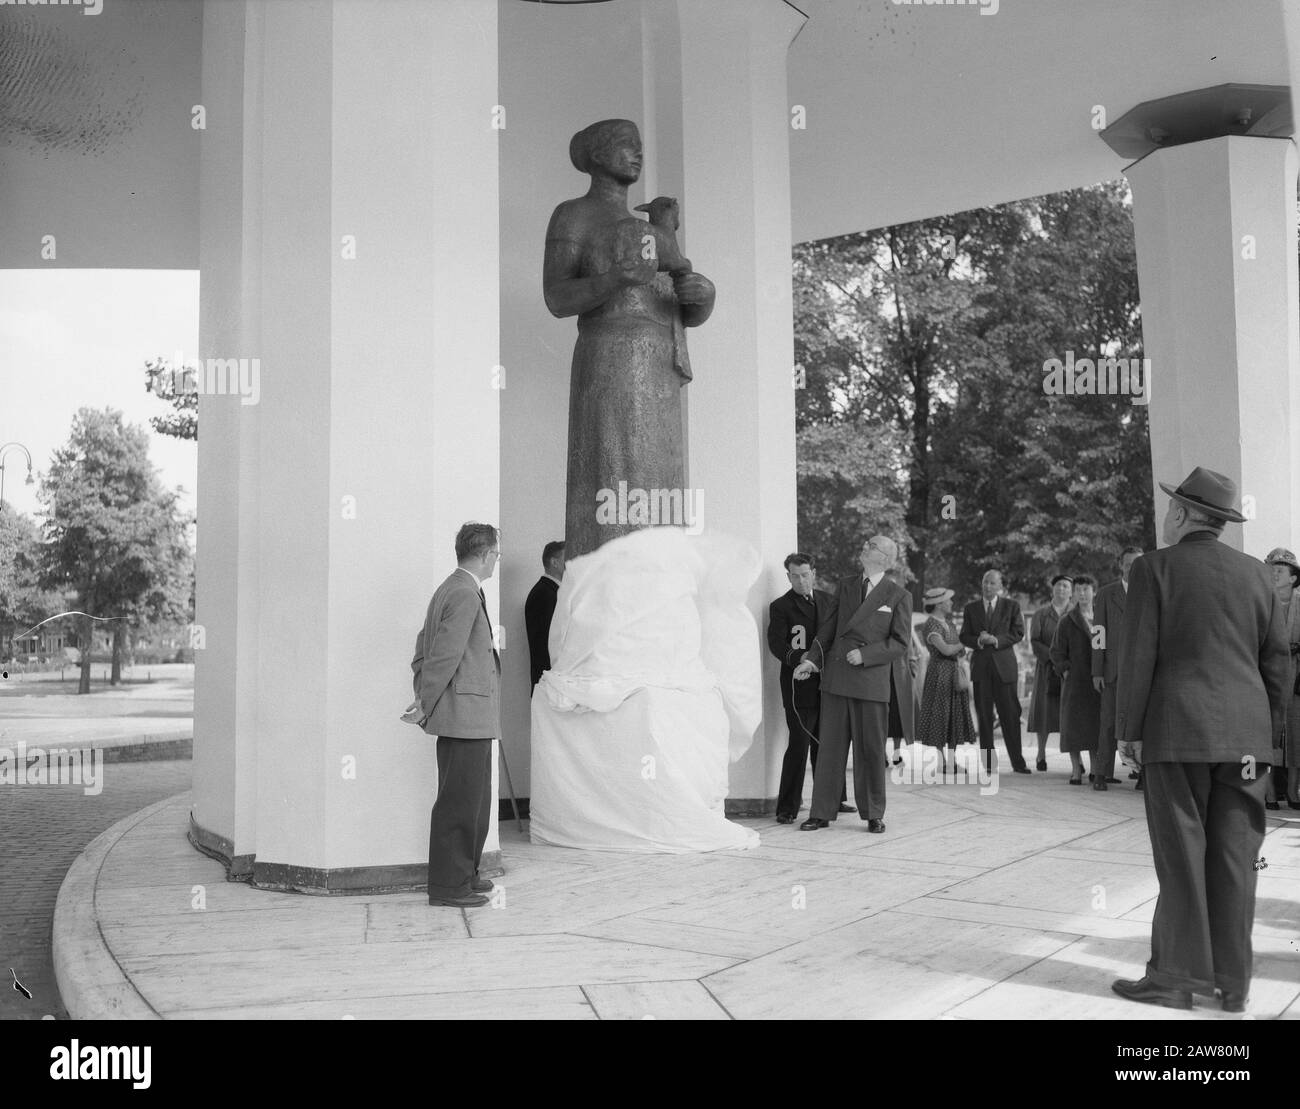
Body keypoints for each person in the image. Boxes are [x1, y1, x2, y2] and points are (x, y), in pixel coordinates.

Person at [1112, 467, 1288, 1012]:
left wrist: (1128, 732)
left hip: (1176, 733)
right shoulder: (1259, 576)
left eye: (1170, 508)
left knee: (1183, 860)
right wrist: (1265, 731)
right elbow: (1277, 663)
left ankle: (1177, 980)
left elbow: (1138, 655)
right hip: (1246, 743)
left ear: (1184, 514)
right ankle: (1231, 987)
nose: (1165, 516)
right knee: (1235, 860)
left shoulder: (1153, 569)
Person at [543, 119, 716, 558]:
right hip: (611, 357)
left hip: (659, 367)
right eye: (625, 145)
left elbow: (678, 307)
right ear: (597, 154)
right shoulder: (574, 215)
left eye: (640, 146)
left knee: (660, 480)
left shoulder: (656, 231)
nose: (637, 153)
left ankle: (657, 578)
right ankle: (613, 575)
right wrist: (617, 277)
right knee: (615, 469)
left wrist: (702, 294)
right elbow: (558, 296)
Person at [793, 535, 912, 834]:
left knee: (871, 751)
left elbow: (900, 643)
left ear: (884, 558)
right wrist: (812, 661)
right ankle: (821, 812)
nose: (864, 546)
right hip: (836, 680)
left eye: (871, 545)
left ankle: (873, 813)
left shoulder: (898, 595)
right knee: (830, 750)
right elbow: (829, 629)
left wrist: (867, 654)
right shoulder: (845, 585)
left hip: (871, 684)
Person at [412, 522, 503, 909]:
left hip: (471, 716)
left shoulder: (453, 588)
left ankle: (465, 875)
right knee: (460, 804)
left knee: (474, 802)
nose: (497, 560)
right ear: (484, 554)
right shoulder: (464, 592)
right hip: (464, 716)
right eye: (496, 554)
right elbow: (444, 654)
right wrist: (424, 701)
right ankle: (450, 887)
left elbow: (421, 645)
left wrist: (422, 690)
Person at [767, 554, 851, 822]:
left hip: (828, 683)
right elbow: (776, 644)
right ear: (788, 577)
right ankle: (787, 808)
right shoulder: (781, 607)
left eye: (805, 574)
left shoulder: (829, 601)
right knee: (800, 742)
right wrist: (798, 658)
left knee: (828, 743)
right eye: (795, 576)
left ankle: (835, 800)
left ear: (814, 573)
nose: (801, 580)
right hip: (799, 685)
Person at [959, 569, 1029, 774]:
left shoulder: (1011, 606)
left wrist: (996, 640)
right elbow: (964, 635)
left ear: (1000, 587)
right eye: (985, 582)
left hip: (1005, 669)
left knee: (1010, 715)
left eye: (992, 583)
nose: (987, 586)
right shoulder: (971, 608)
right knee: (984, 717)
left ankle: (1018, 762)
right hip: (981, 669)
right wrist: (978, 640)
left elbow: (1018, 633)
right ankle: (989, 764)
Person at [1092, 547, 1142, 789]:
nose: (1133, 568)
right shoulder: (1106, 594)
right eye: (1129, 564)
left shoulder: (1151, 592)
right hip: (1112, 672)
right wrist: (1097, 670)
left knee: (1140, 726)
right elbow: (1098, 634)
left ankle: (1142, 774)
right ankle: (1101, 774)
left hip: (1142, 673)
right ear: (1121, 565)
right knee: (1108, 724)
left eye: (1137, 564)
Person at [914, 586, 976, 769]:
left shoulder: (949, 624)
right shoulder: (931, 625)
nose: (951, 603)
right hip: (939, 674)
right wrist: (963, 641)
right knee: (940, 715)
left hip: (953, 674)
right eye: (948, 600)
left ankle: (952, 761)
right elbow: (947, 649)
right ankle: (941, 762)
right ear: (939, 604)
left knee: (954, 715)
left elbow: (958, 651)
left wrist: (959, 646)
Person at [1050, 575, 1100, 786]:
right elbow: (1056, 651)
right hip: (1075, 682)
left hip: (1097, 681)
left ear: (1094, 592)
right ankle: (1075, 770)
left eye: (1086, 589)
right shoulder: (1067, 620)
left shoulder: (1101, 618)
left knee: (1095, 726)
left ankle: (1097, 770)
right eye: (1078, 589)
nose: (1082, 593)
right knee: (1072, 726)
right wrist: (1065, 671)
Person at [1263, 547, 1300, 810]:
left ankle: (1293, 791)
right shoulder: (1261, 601)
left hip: (1298, 679)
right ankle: (1269, 792)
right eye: (1271, 569)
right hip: (1269, 676)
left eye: (1280, 570)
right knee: (1268, 734)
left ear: (1293, 577)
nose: (1274, 574)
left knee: (1297, 736)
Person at [1028, 574, 1072, 771]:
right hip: (1046, 668)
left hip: (1070, 670)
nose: (1061, 589)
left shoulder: (1076, 613)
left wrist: (1066, 663)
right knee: (1044, 712)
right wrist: (1054, 659)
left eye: (1066, 586)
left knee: (1071, 714)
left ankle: (1075, 760)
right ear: (1053, 589)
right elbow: (1035, 641)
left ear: (1071, 592)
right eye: (1058, 586)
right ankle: (1041, 754)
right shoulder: (1041, 614)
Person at [525, 540, 565, 689]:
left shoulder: (552, 591)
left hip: (554, 682)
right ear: (554, 562)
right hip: (548, 682)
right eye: (567, 558)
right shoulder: (544, 593)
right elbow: (549, 639)